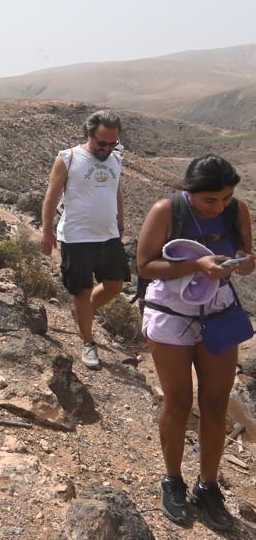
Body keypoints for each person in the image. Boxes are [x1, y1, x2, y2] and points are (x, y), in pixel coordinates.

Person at [137, 155, 254, 531]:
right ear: (190, 191)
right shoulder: (166, 211)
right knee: (179, 401)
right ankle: (172, 481)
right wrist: (198, 264)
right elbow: (144, 265)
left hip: (217, 311)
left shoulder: (237, 211)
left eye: (225, 198)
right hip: (172, 313)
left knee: (216, 403)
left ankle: (208, 486)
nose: (219, 206)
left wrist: (241, 262)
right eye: (210, 201)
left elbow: (247, 260)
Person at [41, 110, 130, 370]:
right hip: (77, 237)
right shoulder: (68, 158)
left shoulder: (115, 159)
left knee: (115, 285)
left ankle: (83, 314)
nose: (106, 148)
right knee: (82, 290)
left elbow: (117, 192)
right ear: (88, 134)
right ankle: (88, 342)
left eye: (112, 143)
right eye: (101, 142)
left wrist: (121, 224)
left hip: (108, 235)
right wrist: (46, 230)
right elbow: (51, 195)